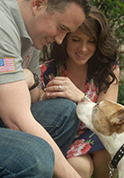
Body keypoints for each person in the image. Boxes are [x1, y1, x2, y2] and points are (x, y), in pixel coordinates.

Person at [0, 0, 92, 177]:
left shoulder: (32, 36)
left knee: (66, 111)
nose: (59, 40)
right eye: (61, 27)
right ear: (38, 3)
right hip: (8, 117)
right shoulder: (3, 25)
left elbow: (34, 98)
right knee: (36, 156)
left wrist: (31, 78)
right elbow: (17, 120)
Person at [40, 6, 120, 178]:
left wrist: (80, 97)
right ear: (65, 38)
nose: (83, 48)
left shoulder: (108, 70)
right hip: (63, 136)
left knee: (106, 157)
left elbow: (107, 120)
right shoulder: (46, 71)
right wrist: (42, 96)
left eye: (91, 41)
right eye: (76, 39)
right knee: (80, 167)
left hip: (97, 135)